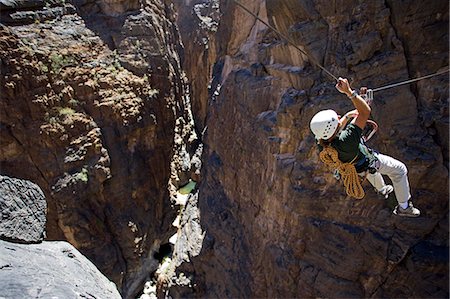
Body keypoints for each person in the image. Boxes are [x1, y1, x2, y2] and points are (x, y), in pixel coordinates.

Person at [310, 77, 420, 217]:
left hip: (355, 168)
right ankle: (404, 207)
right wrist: (349, 92)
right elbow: (364, 112)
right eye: (337, 118)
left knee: (370, 173)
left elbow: (338, 127)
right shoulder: (347, 140)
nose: (339, 116)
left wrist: (348, 115)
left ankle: (383, 190)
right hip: (366, 161)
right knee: (399, 170)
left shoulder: (321, 142)